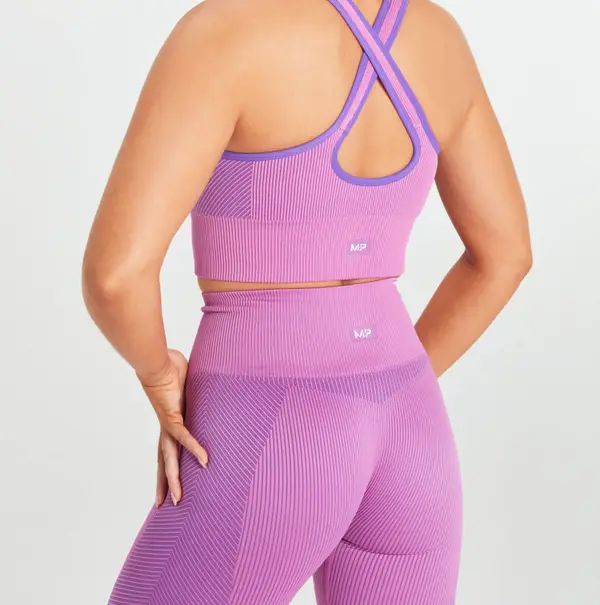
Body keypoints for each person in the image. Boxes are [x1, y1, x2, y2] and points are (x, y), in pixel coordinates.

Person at [82, 0, 532, 603]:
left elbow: (115, 278)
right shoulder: (437, 35)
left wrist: (160, 377)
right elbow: (505, 255)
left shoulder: (224, 32)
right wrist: (377, 385)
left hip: (269, 421)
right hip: (412, 430)